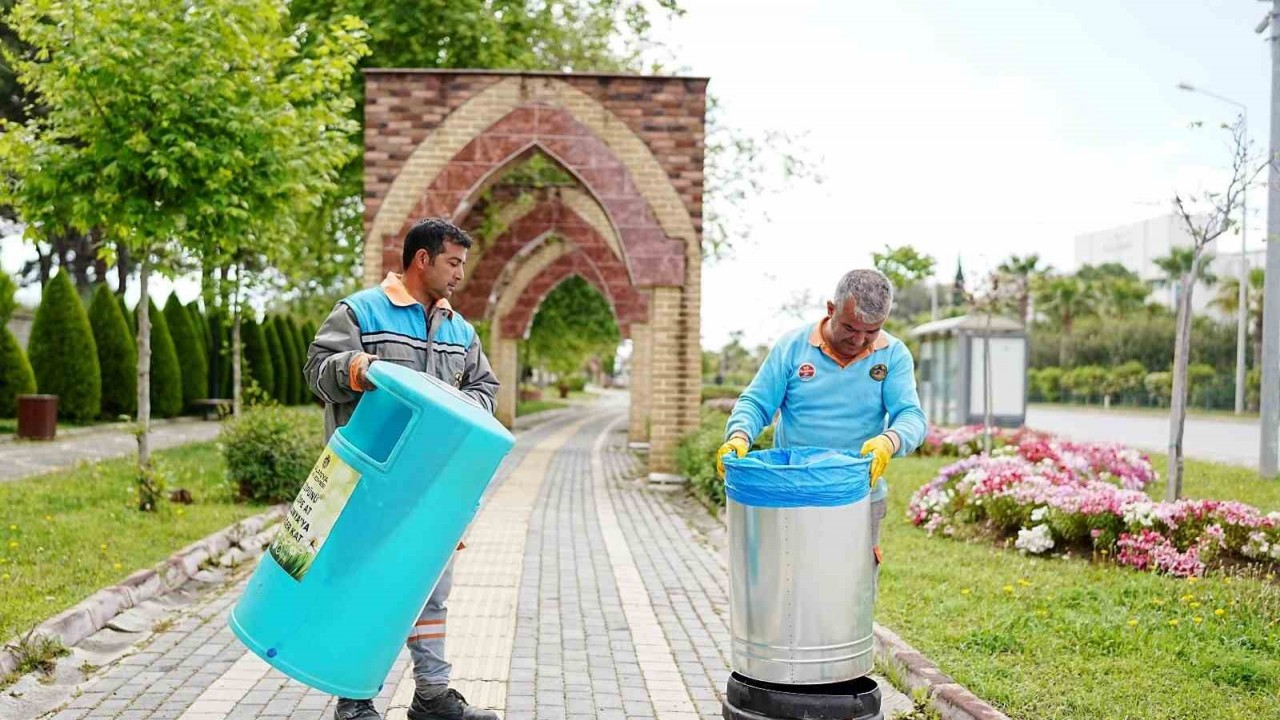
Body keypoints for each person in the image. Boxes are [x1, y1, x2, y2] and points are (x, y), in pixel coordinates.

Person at [305, 218, 500, 720]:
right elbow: (317, 371)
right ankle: (354, 700)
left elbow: (485, 389)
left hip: (430, 488)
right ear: (422, 259)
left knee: (431, 590)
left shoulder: (460, 330)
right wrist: (356, 369)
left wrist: (461, 403)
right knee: (364, 586)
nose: (459, 273)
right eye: (453, 262)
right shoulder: (361, 311)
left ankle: (432, 695)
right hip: (365, 483)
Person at [715, 268, 927, 587]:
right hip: (792, 497)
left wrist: (890, 441)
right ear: (831, 309)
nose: (858, 340)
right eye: (850, 327)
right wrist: (739, 437)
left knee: (848, 593)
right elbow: (757, 403)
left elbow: (911, 416)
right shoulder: (792, 347)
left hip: (858, 497)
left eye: (871, 331)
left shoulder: (893, 354)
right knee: (789, 589)